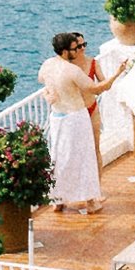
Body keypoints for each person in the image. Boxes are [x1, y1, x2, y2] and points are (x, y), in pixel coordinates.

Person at [38, 31, 107, 213]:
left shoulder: (47, 65)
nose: (78, 51)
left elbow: (41, 79)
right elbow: (96, 88)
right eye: (75, 48)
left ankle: (58, 199)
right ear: (65, 51)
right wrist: (117, 74)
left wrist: (49, 92)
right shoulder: (72, 70)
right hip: (76, 117)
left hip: (57, 117)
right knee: (84, 158)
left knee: (59, 158)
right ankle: (91, 201)